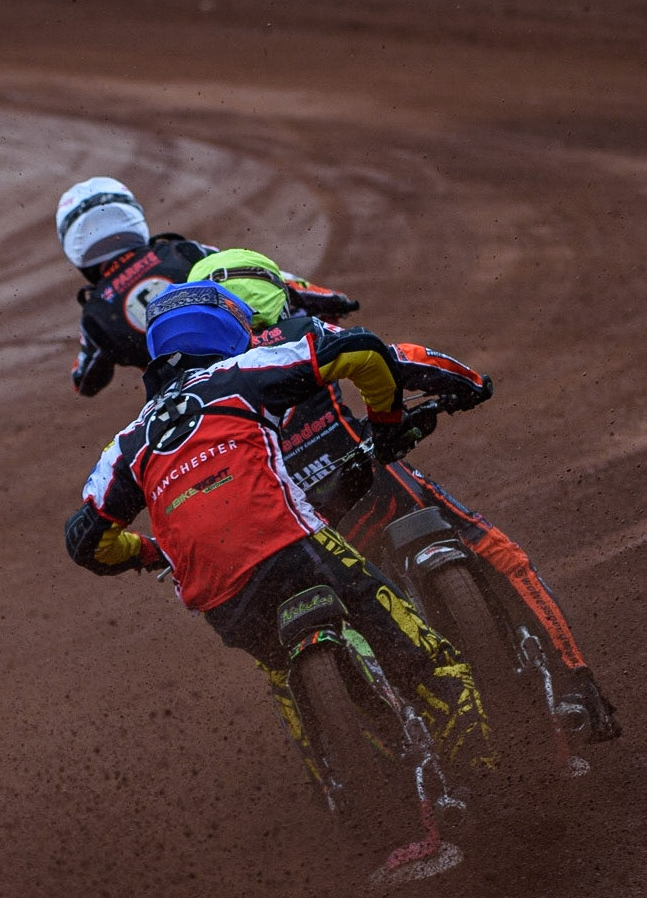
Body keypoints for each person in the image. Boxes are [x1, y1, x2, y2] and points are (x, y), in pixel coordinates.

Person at [65, 282, 490, 802]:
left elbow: (86, 538)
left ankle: (342, 793)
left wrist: (153, 552)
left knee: (281, 672)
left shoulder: (127, 443)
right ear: (225, 330)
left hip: (219, 596)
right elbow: (358, 350)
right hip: (292, 546)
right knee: (417, 650)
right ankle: (490, 768)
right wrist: (387, 421)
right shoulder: (239, 374)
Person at [190, 248, 622, 743]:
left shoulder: (203, 388)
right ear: (274, 292)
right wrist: (470, 384)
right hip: (373, 485)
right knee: (496, 550)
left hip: (301, 534)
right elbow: (397, 359)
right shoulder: (302, 335)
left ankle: (373, 758)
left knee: (309, 646)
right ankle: (576, 682)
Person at [55, 177, 357, 397]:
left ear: (74, 244)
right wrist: (334, 300)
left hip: (193, 399)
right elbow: (264, 277)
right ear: (130, 214)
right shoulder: (179, 253)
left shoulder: (95, 315)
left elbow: (84, 381)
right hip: (256, 359)